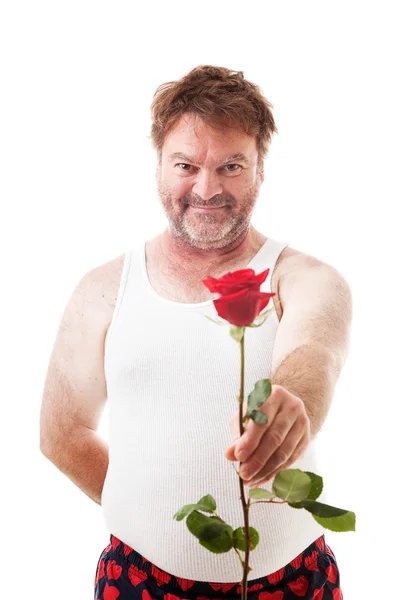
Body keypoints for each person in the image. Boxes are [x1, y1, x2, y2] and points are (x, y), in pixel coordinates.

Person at [40, 65, 352, 600]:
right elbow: (61, 436)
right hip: (138, 579)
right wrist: (156, 518)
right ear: (159, 165)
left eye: (232, 166)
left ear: (260, 170)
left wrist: (289, 403)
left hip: (291, 580)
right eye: (186, 165)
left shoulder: (305, 277)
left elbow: (314, 350)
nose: (206, 189)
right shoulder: (102, 289)